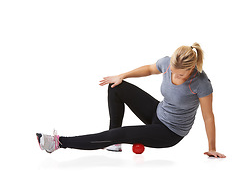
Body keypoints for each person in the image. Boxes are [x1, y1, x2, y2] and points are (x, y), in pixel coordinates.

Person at [36, 43, 226, 158]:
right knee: (117, 86)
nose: (175, 76)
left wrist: (212, 148)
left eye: (181, 74)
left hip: (170, 132)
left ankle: (59, 143)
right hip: (158, 112)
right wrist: (122, 75)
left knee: (121, 133)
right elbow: (150, 69)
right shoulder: (168, 63)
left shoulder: (201, 83)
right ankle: (114, 142)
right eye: (173, 72)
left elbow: (208, 117)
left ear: (192, 68)